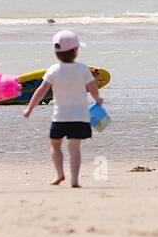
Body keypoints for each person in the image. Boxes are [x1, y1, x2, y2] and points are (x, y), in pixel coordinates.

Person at [23, 30, 103, 188]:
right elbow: (93, 88)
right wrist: (98, 99)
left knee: (55, 145)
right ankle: (75, 180)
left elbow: (40, 92)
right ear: (76, 51)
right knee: (74, 149)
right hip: (80, 118)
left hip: (60, 118)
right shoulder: (82, 69)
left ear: (56, 52)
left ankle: (59, 173)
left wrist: (29, 109)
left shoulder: (53, 70)